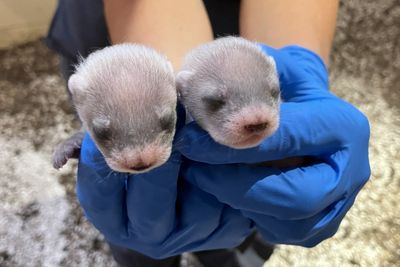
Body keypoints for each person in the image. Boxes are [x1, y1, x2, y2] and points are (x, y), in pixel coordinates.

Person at [46, 0, 371, 266]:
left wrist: (301, 62)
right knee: (136, 216)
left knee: (246, 204)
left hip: (233, 42)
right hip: (121, 28)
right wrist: (172, 98)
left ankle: (228, 254)